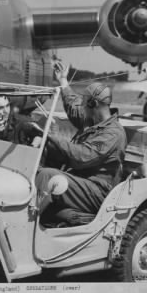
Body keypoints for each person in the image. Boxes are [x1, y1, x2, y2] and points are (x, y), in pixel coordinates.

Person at [36, 61, 127, 227]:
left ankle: (25, 224)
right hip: (82, 183)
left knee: (49, 176)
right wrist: (63, 81)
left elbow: (82, 156)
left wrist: (51, 137)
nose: (81, 106)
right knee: (38, 168)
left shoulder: (113, 133)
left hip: (98, 192)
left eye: (84, 102)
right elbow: (73, 106)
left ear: (93, 104)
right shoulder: (92, 119)